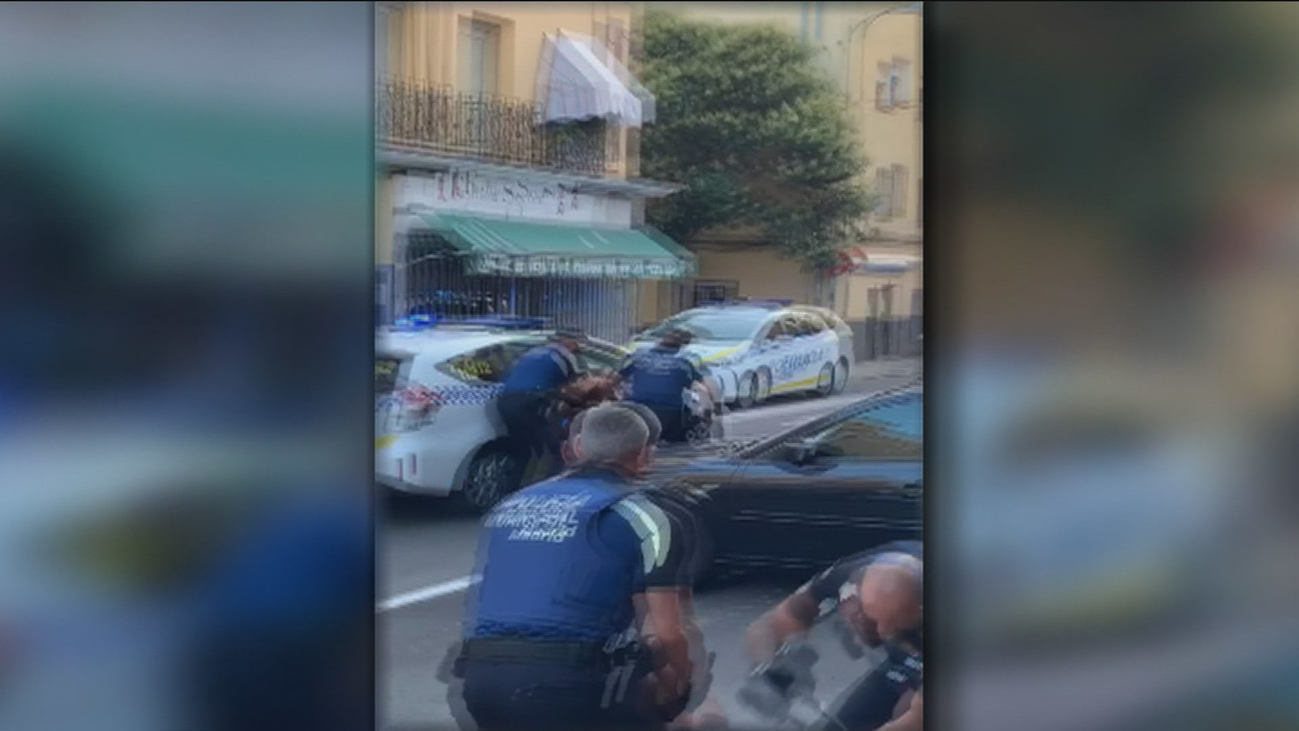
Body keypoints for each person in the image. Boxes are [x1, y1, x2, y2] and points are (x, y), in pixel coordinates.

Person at [450, 405, 708, 731]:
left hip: (481, 681)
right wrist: (679, 685)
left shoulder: (512, 505)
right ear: (644, 455)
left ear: (575, 449)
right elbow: (667, 633)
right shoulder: (645, 516)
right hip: (566, 685)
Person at [743, 542, 922, 731]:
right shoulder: (846, 576)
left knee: (905, 711)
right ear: (849, 599)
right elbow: (776, 621)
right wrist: (766, 668)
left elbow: (915, 721)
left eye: (897, 626)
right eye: (871, 621)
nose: (884, 632)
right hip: (902, 654)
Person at [497, 329, 584, 477]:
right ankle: (551, 482)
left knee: (521, 447)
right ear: (567, 341)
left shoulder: (531, 352)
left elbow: (507, 375)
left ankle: (511, 485)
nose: (579, 347)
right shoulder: (563, 356)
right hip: (529, 403)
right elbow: (571, 387)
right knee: (553, 446)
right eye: (578, 342)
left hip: (505, 401)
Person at [620, 329, 709, 444]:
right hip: (671, 412)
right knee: (679, 444)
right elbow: (703, 386)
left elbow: (613, 379)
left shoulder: (637, 357)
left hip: (638, 410)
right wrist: (711, 409)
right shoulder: (685, 361)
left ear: (659, 342)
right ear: (682, 346)